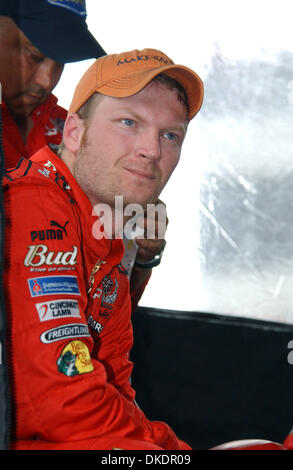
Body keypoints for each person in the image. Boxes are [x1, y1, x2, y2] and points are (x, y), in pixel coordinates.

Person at [3, 47, 204, 450]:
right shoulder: (33, 204)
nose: (153, 150)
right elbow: (60, 404)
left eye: (170, 135)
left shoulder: (108, 232)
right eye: (129, 122)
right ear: (74, 133)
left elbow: (115, 386)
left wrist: (165, 448)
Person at [0, 0, 106, 170]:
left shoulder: (71, 131)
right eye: (33, 56)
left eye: (60, 62)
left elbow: (118, 195)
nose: (47, 81)